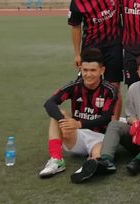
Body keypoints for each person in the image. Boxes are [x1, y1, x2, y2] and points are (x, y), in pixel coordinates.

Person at [71, 52, 140, 182]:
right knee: (114, 124)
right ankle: (106, 161)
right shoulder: (133, 88)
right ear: (138, 73)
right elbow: (129, 116)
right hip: (139, 138)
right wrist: (137, 123)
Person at [39, 48, 117, 178]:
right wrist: (63, 121)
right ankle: (56, 160)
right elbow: (49, 103)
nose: (88, 74)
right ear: (80, 69)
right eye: (85, 70)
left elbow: (106, 118)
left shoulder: (109, 90)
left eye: (93, 70)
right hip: (76, 136)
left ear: (102, 70)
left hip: (99, 137)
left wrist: (79, 124)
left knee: (98, 155)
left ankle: (90, 165)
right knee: (58, 114)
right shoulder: (74, 86)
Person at [67, 0, 126, 117]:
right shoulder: (77, 0)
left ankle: (113, 124)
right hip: (91, 48)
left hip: (114, 46)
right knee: (88, 85)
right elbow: (75, 27)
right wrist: (77, 54)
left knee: (114, 87)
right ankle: (88, 120)